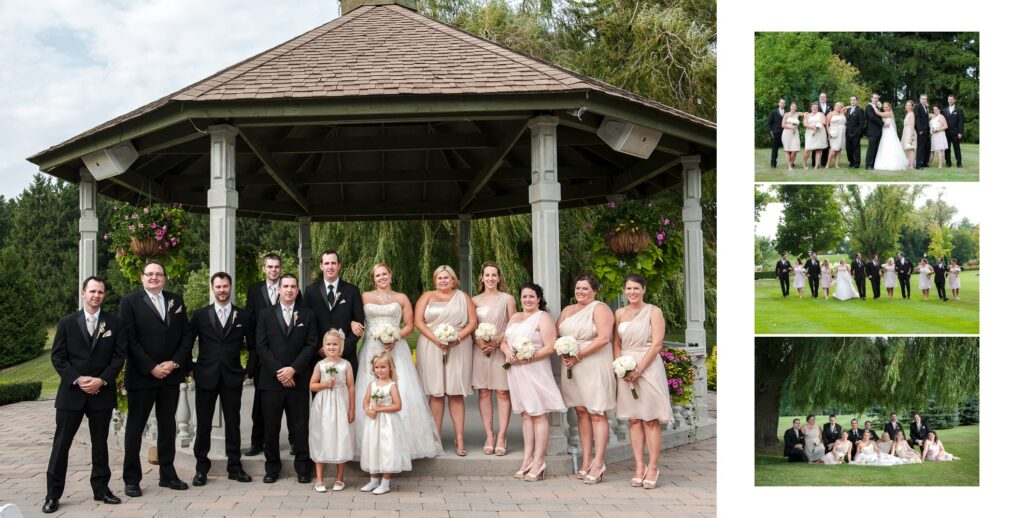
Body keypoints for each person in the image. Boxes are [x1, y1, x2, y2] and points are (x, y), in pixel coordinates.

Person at [44, 276, 127, 514]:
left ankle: (101, 489)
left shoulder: (115, 323)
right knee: (61, 445)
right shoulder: (68, 322)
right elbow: (58, 357)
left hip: (101, 392)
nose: (96, 295)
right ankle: (53, 495)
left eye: (100, 292)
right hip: (72, 393)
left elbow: (119, 356)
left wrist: (102, 379)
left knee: (100, 444)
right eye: (92, 291)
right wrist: (78, 379)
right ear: (83, 293)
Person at [355, 263, 443, 460]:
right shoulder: (364, 297)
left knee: (402, 390)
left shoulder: (401, 298)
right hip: (371, 348)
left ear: (390, 275)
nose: (381, 278)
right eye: (377, 275)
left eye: (384, 274)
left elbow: (410, 325)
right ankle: (370, 444)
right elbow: (355, 318)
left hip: (396, 349)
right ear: (373, 278)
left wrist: (395, 337)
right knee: (368, 389)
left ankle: (407, 444)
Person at [120, 260, 191, 497]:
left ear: (164, 277)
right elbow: (129, 339)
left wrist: (173, 363)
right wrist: (151, 367)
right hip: (142, 376)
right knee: (135, 428)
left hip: (170, 375)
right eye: (149, 274)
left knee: (168, 426)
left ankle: (168, 475)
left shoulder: (176, 300)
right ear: (142, 278)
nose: (153, 277)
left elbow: (186, 336)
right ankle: (132, 479)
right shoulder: (130, 302)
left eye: (158, 274)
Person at [186, 272, 255, 487]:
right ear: (212, 288)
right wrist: (191, 369)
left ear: (231, 287)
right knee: (203, 424)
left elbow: (254, 346)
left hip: (233, 377)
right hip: (206, 376)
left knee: (233, 423)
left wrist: (248, 371)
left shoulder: (242, 316)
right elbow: (187, 342)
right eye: (218, 286)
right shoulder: (200, 315)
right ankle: (201, 469)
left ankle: (234, 466)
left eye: (225, 286)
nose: (222, 290)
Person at [255, 273, 317, 484]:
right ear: (279, 290)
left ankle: (302, 468)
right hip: (271, 381)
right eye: (285, 286)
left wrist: (294, 369)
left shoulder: (307, 314)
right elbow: (261, 346)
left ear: (298, 290)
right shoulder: (265, 314)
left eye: (293, 286)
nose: (289, 290)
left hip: (298, 380)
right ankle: (272, 468)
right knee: (271, 427)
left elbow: (311, 344)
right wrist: (280, 371)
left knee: (300, 426)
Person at [502, 282, 566, 482]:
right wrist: (507, 352)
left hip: (535, 370)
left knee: (538, 414)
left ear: (538, 299)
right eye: (524, 297)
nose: (527, 300)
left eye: (531, 296)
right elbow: (503, 341)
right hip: (516, 371)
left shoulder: (543, 317)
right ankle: (527, 458)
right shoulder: (515, 317)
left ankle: (539, 461)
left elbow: (550, 347)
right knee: (526, 414)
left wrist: (527, 357)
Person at [614, 275, 674, 488]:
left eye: (636, 288)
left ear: (644, 290)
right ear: (624, 291)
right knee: (633, 420)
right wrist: (620, 365)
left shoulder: (654, 311)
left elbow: (657, 344)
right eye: (628, 288)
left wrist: (638, 369)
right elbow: (616, 343)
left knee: (650, 419)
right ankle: (639, 466)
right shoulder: (619, 313)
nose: (632, 292)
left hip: (648, 367)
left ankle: (653, 466)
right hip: (626, 366)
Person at [557, 274, 616, 484]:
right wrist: (563, 351)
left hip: (593, 363)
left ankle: (599, 463)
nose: (580, 292)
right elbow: (557, 335)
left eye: (585, 289)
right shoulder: (567, 310)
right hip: (571, 365)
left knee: (597, 412)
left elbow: (603, 338)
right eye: (578, 288)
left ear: (594, 291)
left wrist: (578, 355)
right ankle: (586, 459)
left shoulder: (600, 308)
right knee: (581, 412)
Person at [415, 265, 478, 456]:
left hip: (458, 347)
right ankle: (437, 438)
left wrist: (456, 338)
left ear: (454, 280)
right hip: (431, 346)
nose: (443, 281)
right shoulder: (427, 296)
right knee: (436, 393)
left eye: (447, 277)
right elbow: (418, 321)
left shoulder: (463, 297)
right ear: (435, 280)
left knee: (455, 392)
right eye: (440, 278)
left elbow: (472, 322)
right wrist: (436, 339)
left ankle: (460, 439)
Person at [244, 253, 302, 457]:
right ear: (264, 268)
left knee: (293, 405)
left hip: (289, 359)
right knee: (261, 404)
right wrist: (257, 353)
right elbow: (250, 323)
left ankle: (296, 441)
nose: (273, 270)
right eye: (270, 267)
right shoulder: (254, 290)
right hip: (263, 358)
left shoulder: (291, 288)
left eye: (277, 267)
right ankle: (257, 441)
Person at [471, 262, 517, 456]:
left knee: (502, 393)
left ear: (499, 278)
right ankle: (489, 435)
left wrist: (499, 341)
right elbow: (472, 325)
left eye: (494, 275)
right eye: (487, 275)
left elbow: (514, 324)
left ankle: (502, 436)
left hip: (501, 348)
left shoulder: (507, 299)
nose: (490, 278)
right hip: (480, 350)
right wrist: (479, 340)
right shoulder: (473, 300)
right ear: (481, 278)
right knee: (483, 392)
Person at [309, 329, 355, 493]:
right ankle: (319, 479)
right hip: (323, 405)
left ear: (340, 346)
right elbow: (312, 385)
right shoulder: (320, 365)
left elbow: (350, 387)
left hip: (340, 404)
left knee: (340, 437)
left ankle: (339, 477)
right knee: (321, 437)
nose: (331, 347)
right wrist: (324, 385)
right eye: (328, 344)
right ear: (324, 346)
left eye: (335, 344)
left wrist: (352, 409)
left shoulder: (346, 364)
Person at [305, 251, 364, 380]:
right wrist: (319, 347)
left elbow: (359, 324)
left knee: (347, 398)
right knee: (320, 398)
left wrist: (343, 349)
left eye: (333, 263)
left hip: (346, 357)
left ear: (339, 265)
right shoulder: (310, 291)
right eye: (326, 263)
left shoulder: (352, 291)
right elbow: (307, 324)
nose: (330, 267)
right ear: (321, 266)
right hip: (319, 357)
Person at [359, 351, 411, 495]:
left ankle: (385, 483)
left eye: (383, 367)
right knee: (373, 447)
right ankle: (373, 479)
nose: (379, 370)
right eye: (377, 367)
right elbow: (366, 400)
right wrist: (367, 409)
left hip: (387, 423)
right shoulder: (372, 384)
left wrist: (381, 408)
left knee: (387, 449)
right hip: (373, 422)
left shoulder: (391, 385)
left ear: (390, 368)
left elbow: (398, 405)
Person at [873, 101, 909, 170]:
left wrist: (873, 106)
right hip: (885, 131)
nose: (885, 108)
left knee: (889, 145)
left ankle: (893, 163)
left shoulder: (889, 113)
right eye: (884, 107)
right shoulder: (886, 113)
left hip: (889, 132)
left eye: (887, 107)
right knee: (884, 145)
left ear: (889, 107)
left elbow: (877, 113)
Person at [802, 103, 828, 169]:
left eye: (816, 107)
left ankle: (816, 166)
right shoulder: (807, 115)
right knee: (807, 149)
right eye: (813, 107)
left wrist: (817, 126)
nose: (815, 108)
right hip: (810, 133)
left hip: (819, 133)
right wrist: (812, 127)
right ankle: (804, 163)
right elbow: (805, 124)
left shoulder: (821, 114)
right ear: (811, 108)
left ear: (818, 108)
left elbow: (824, 122)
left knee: (818, 149)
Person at [780, 103, 803, 170]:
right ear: (790, 107)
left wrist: (807, 114)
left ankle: (790, 163)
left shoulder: (797, 114)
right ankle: (789, 166)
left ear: (796, 108)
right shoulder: (786, 114)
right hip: (787, 133)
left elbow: (805, 114)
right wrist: (791, 127)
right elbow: (783, 125)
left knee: (795, 150)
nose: (794, 107)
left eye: (795, 106)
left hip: (795, 134)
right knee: (787, 149)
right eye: (792, 106)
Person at [845, 95, 866, 168]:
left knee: (856, 149)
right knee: (848, 149)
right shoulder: (848, 110)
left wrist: (858, 132)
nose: (852, 101)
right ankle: (851, 162)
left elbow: (862, 123)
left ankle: (857, 164)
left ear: (857, 101)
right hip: (848, 133)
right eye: (851, 100)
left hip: (856, 133)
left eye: (854, 100)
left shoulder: (860, 110)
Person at [944, 94, 965, 167]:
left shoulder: (959, 110)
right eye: (949, 99)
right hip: (946, 133)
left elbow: (961, 122)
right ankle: (948, 163)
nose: (950, 101)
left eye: (952, 99)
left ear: (954, 100)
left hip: (956, 133)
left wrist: (960, 132)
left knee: (957, 148)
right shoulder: (945, 110)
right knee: (947, 149)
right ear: (948, 100)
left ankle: (959, 163)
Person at [864, 94, 884, 170]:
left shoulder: (878, 107)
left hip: (878, 131)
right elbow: (872, 118)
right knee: (871, 148)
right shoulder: (869, 107)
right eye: (874, 98)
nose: (876, 99)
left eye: (877, 98)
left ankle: (873, 164)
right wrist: (883, 123)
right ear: (871, 98)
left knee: (876, 148)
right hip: (872, 131)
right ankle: (868, 165)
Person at [825, 102, 846, 168]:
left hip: (842, 133)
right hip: (834, 133)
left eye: (840, 106)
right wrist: (829, 133)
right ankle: (827, 164)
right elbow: (827, 124)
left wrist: (843, 110)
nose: (838, 107)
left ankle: (837, 164)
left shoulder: (843, 113)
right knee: (833, 149)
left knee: (839, 149)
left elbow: (849, 107)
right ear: (834, 106)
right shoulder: (831, 113)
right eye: (837, 106)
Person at [768, 98, 787, 168]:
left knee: (788, 147)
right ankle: (773, 163)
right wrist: (771, 132)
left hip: (786, 132)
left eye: (784, 103)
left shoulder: (787, 112)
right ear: (778, 103)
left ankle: (791, 162)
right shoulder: (774, 112)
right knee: (775, 149)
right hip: (776, 133)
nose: (783, 104)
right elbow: (769, 123)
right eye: (781, 103)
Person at [914, 94, 931, 168]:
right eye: (923, 99)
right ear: (920, 99)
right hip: (921, 130)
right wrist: (919, 130)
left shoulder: (926, 107)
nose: (924, 100)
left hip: (927, 130)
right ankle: (918, 164)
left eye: (925, 99)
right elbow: (917, 119)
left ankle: (925, 163)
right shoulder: (917, 107)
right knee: (920, 147)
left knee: (927, 147)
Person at [902, 100, 918, 167]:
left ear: (912, 107)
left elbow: (912, 126)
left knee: (911, 149)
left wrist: (911, 137)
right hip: (906, 132)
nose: (908, 106)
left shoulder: (911, 114)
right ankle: (910, 163)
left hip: (910, 133)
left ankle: (911, 165)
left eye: (910, 105)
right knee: (908, 149)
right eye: (907, 105)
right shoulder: (907, 114)